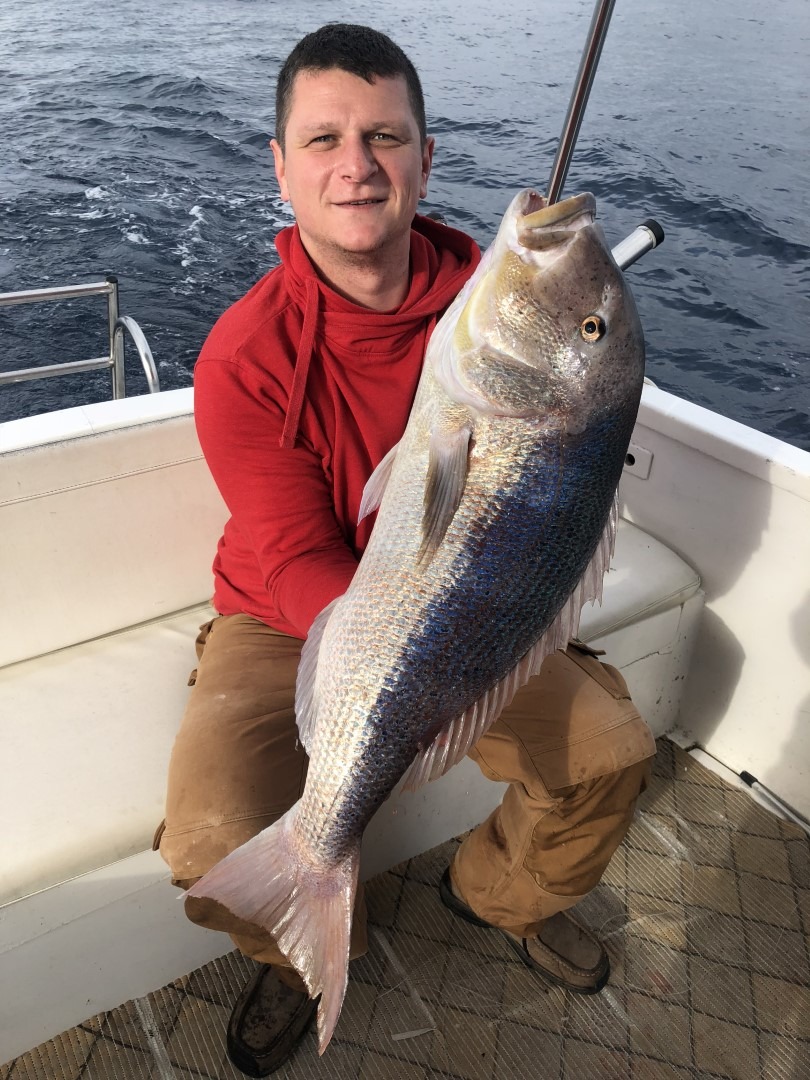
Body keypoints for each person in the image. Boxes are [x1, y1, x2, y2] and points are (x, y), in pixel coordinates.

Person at [155, 22, 655, 1078]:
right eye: (324, 138)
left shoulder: (485, 300)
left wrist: (427, 668)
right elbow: (294, 556)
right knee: (207, 839)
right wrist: (386, 693)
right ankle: (299, 946)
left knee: (611, 750)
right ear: (281, 166)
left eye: (385, 137)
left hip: (467, 608)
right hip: (288, 612)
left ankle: (497, 896)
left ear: (426, 161)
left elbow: (560, 478)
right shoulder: (244, 354)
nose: (357, 164)